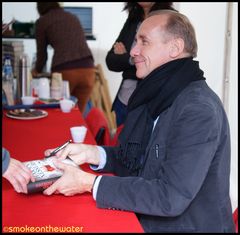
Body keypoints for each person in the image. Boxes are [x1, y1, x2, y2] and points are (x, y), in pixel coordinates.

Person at [43, 10, 235, 232]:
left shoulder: (198, 109)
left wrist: (89, 183)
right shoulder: (157, 94)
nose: (133, 51)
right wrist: (93, 153)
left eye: (144, 42)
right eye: (135, 41)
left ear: (175, 48)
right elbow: (139, 160)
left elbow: (169, 197)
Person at [106, 2, 175, 126]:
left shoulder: (170, 18)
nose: (134, 51)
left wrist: (127, 58)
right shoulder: (133, 20)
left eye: (144, 42)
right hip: (123, 101)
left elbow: (164, 62)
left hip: (149, 103)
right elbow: (111, 61)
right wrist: (134, 60)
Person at [32, 2, 95, 114]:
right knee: (77, 115)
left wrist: (36, 70)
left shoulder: (42, 21)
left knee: (58, 112)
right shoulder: (72, 16)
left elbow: (42, 54)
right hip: (88, 69)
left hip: (65, 70)